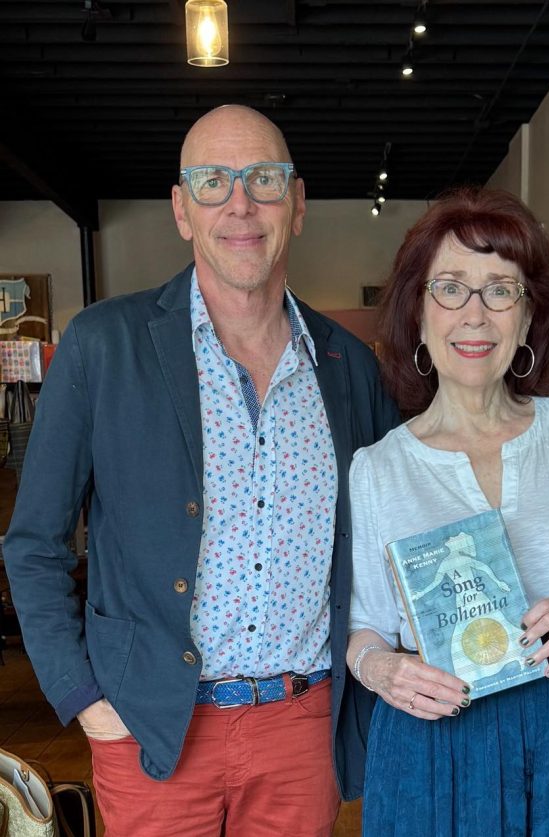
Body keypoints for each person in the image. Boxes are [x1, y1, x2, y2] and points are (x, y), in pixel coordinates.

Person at [3, 105, 399, 837]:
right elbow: (33, 544)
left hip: (301, 723)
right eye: (213, 182)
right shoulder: (102, 346)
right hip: (150, 723)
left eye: (263, 180)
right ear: (182, 209)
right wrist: (85, 698)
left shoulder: (347, 367)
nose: (240, 203)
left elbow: (391, 537)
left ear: (299, 204)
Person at [346, 187, 549, 837]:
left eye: (500, 290)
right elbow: (363, 627)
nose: (475, 313)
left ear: (526, 319)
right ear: (417, 310)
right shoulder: (377, 468)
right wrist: (382, 670)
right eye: (451, 288)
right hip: (442, 746)